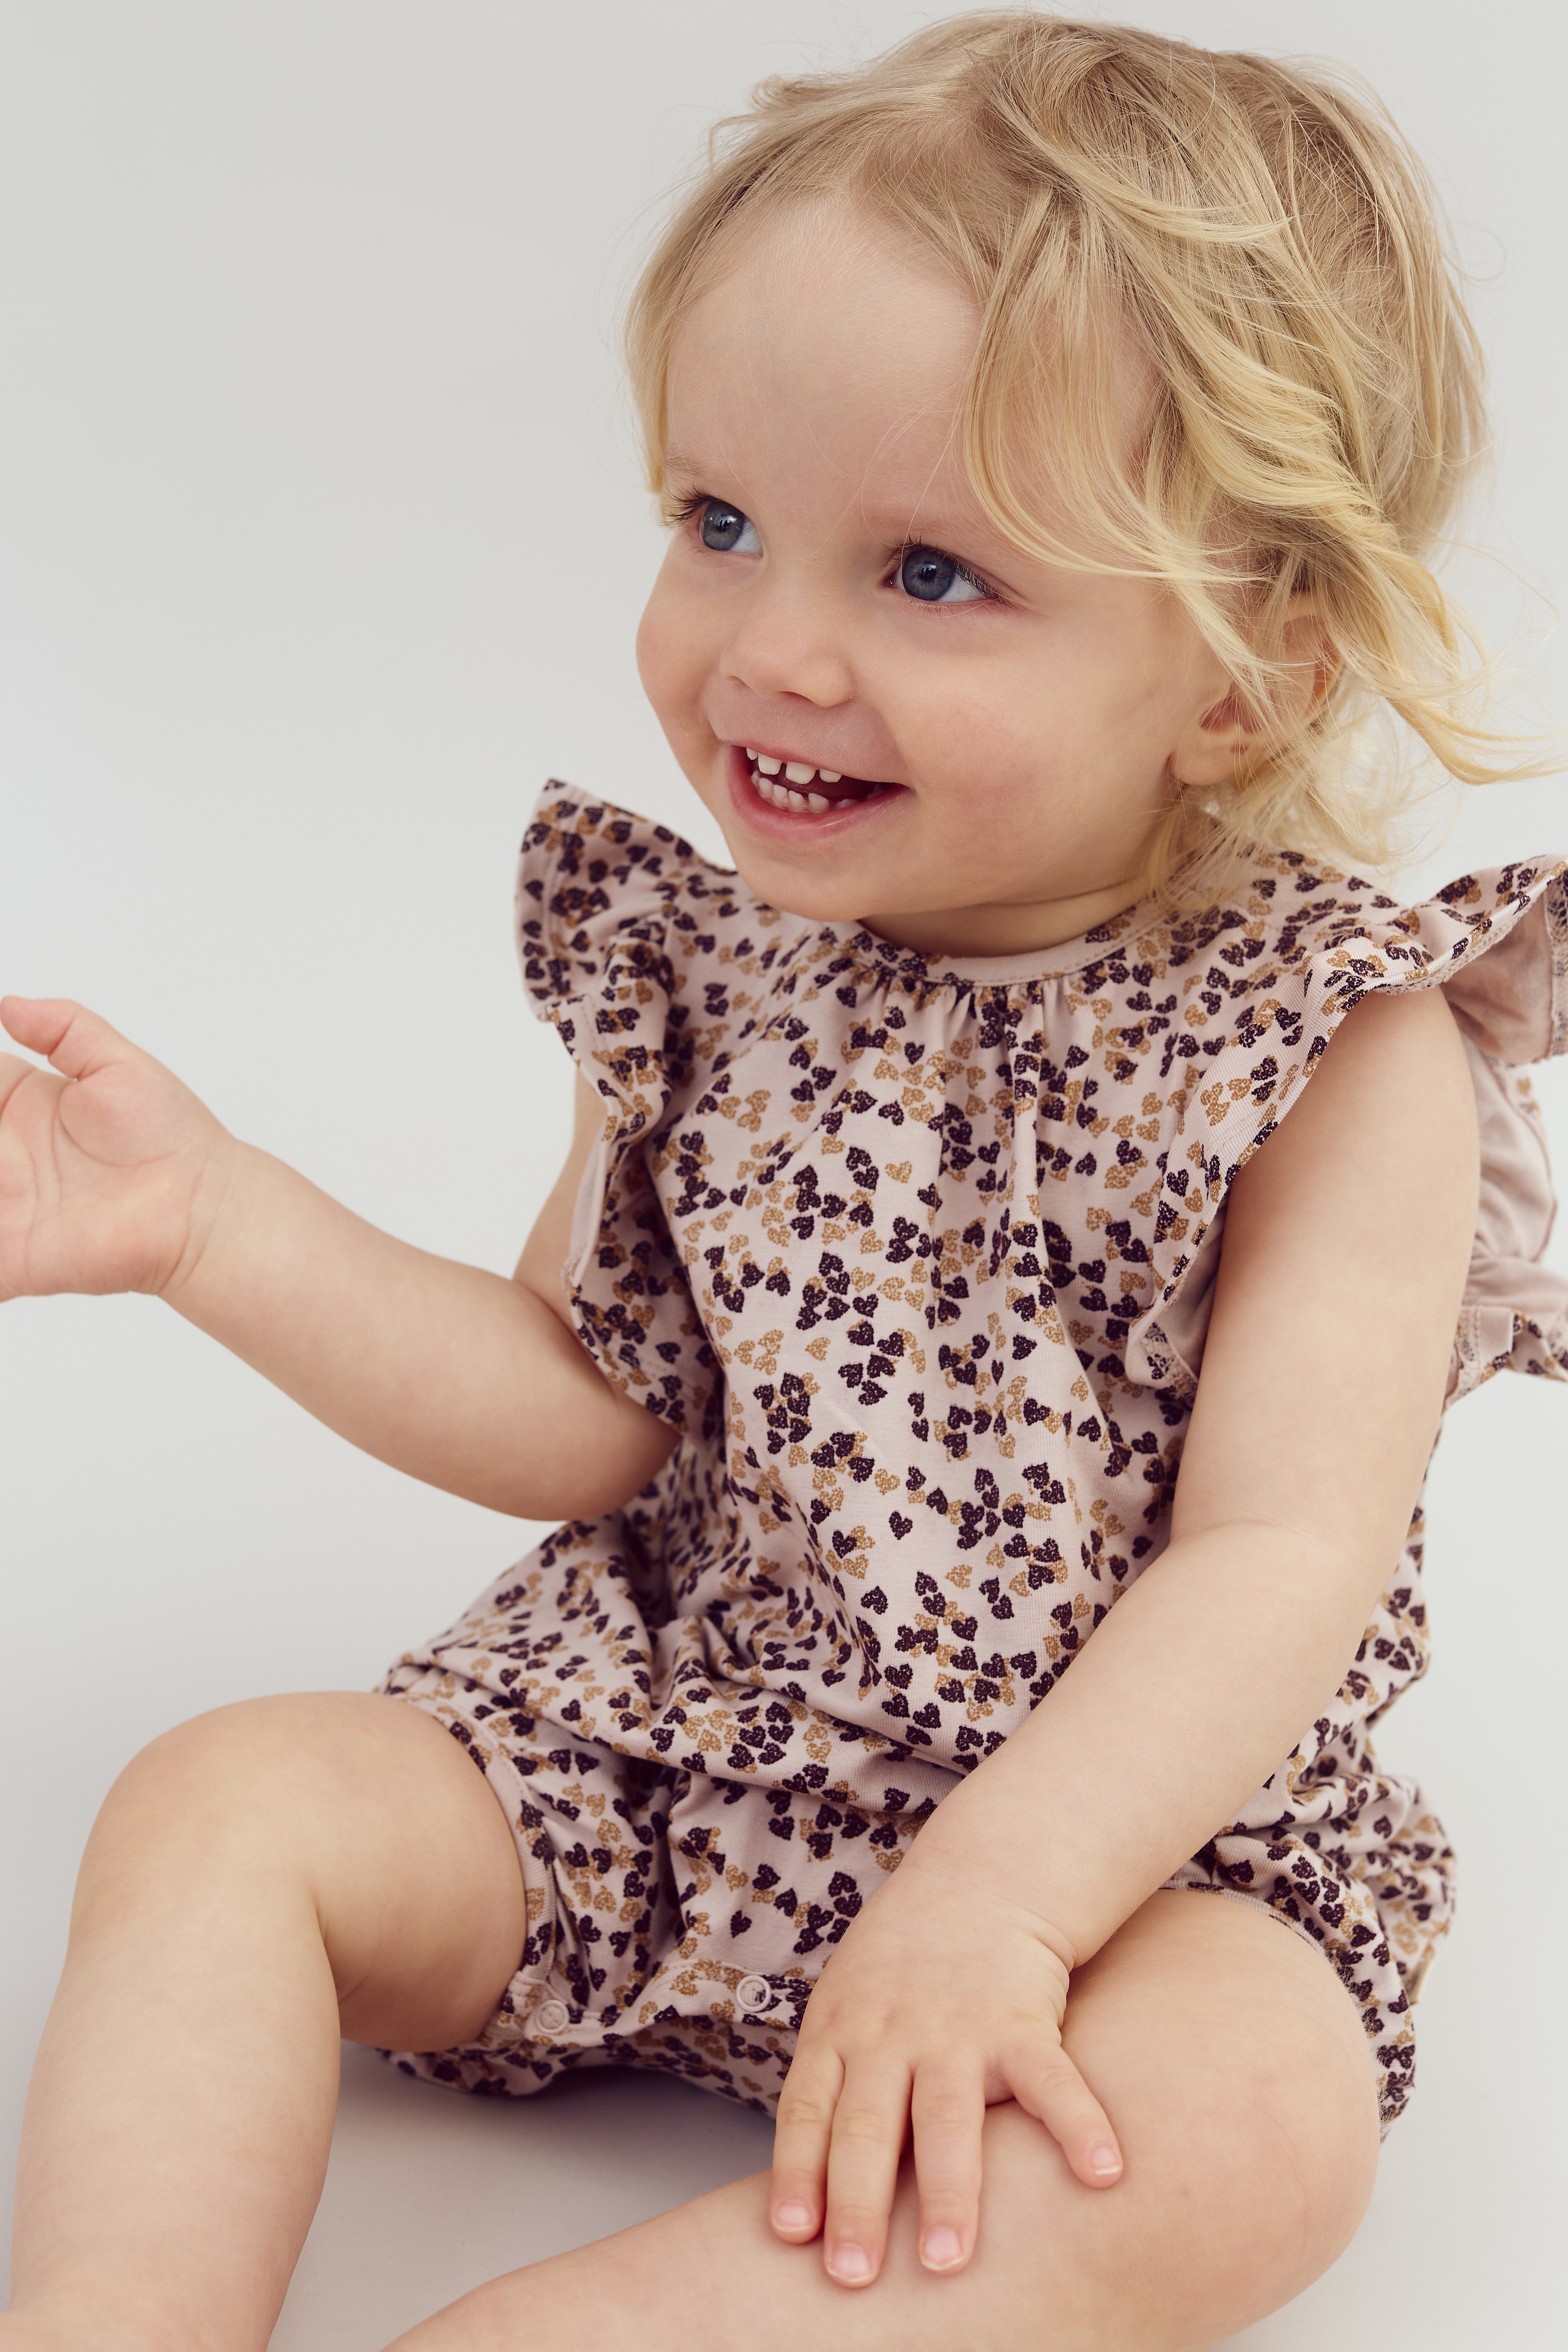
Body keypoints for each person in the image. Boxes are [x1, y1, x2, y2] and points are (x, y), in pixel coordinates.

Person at [2, 14, 1563, 2349]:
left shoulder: (1331, 1055)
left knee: (1261, 2110)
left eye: (931, 572)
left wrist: (1005, 1905)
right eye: (717, 523)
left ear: (1240, 675)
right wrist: (214, 1226)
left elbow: (1280, 1563)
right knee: (221, 1798)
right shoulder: (703, 971)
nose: (771, 648)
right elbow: (592, 1409)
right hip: (676, 1740)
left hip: (1126, 1859)